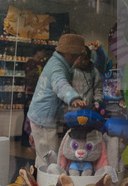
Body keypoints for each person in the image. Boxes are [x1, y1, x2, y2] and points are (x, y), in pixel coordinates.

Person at [27, 34, 87, 167]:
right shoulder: (57, 67)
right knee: (50, 157)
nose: (78, 58)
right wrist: (73, 97)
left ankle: (39, 179)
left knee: (42, 155)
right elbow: (60, 83)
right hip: (44, 119)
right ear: (70, 54)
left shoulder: (57, 62)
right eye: (77, 55)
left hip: (41, 116)